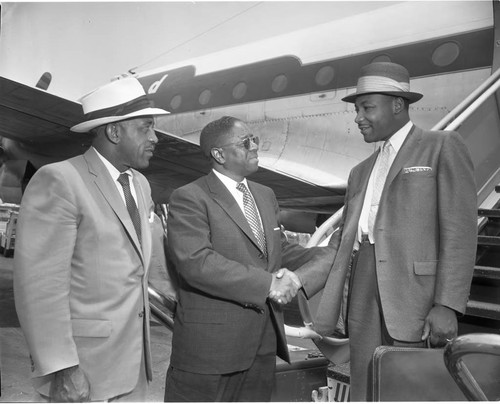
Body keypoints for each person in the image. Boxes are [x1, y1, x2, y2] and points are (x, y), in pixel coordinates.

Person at [315, 62, 477, 401]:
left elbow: (460, 232)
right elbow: (342, 241)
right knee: (365, 383)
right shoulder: (360, 171)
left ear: (397, 105)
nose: (358, 116)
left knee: (411, 388)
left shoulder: (441, 146)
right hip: (363, 288)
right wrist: (296, 279)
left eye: (367, 107)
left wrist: (447, 304)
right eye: (357, 109)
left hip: (415, 295)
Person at [13, 77, 170, 402]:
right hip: (83, 372)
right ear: (114, 132)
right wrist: (64, 369)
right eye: (146, 128)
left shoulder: (140, 184)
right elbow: (40, 287)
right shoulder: (60, 180)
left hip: (135, 369)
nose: (155, 138)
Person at [164, 116, 334, 402]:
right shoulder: (190, 197)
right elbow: (197, 263)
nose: (256, 146)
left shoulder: (264, 195)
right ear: (218, 154)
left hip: (262, 347)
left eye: (254, 138)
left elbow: (279, 251)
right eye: (246, 142)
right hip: (211, 352)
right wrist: (269, 284)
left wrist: (334, 254)